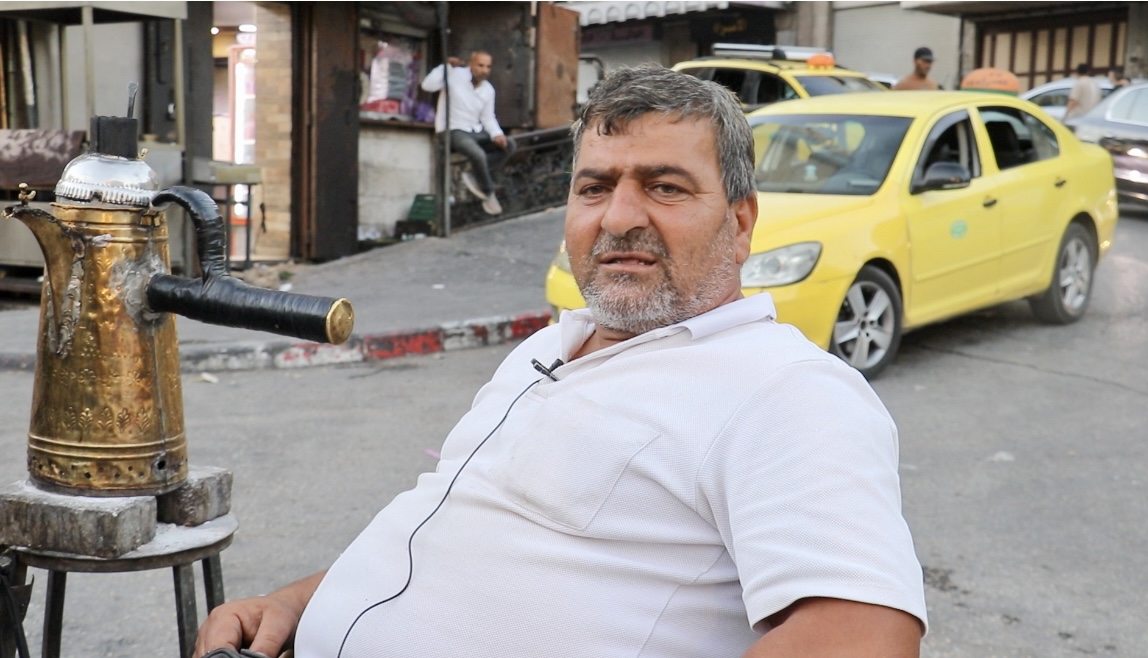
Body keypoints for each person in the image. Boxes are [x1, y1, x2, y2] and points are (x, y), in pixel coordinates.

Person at [195, 64, 928, 658]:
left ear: (740, 224)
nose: (619, 217)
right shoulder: (548, 348)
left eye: (665, 187)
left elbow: (863, 635)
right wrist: (292, 604)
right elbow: (449, 524)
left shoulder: (785, 390)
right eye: (595, 187)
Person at [421, 51, 516, 215]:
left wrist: (497, 134)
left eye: (488, 67)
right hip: (452, 129)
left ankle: (475, 174)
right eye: (480, 65)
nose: (484, 70)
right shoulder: (455, 75)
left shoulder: (488, 90)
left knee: (510, 145)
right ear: (471, 65)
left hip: (474, 130)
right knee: (477, 154)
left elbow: (488, 118)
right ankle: (488, 193)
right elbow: (427, 85)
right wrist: (446, 66)